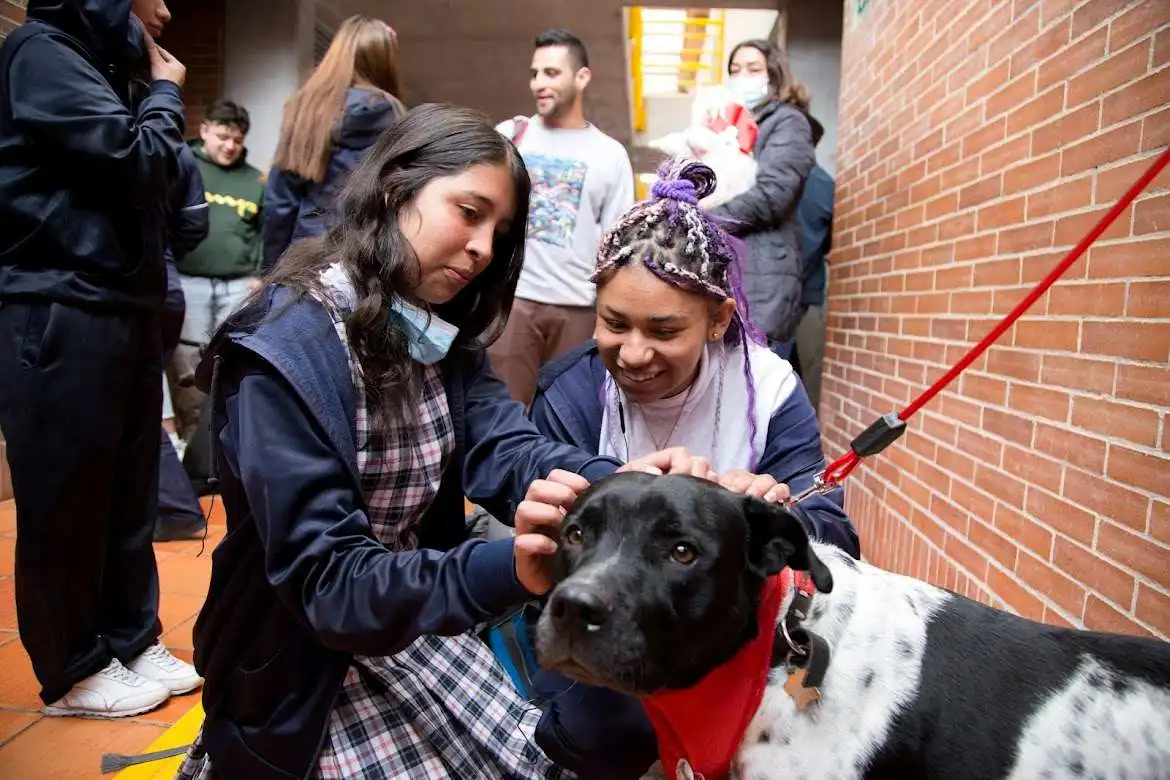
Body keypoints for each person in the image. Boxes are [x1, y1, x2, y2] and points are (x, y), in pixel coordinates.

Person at [173, 103, 710, 780]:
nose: (485, 247)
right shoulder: (285, 349)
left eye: (500, 230)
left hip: (407, 622)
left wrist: (624, 486)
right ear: (396, 187)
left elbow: (508, 451)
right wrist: (504, 569)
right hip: (302, 663)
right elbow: (330, 583)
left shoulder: (428, 328)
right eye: (469, 211)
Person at [525, 159, 860, 779]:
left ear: (718, 319)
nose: (632, 353)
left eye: (665, 330)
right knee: (594, 734)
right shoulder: (572, 394)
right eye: (613, 323)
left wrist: (774, 509)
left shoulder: (770, 390)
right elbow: (547, 534)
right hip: (609, 626)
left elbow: (832, 535)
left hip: (734, 638)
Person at [0, 0, 201, 718]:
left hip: (119, 307)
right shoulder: (43, 53)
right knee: (67, 499)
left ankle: (129, 637)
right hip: (61, 306)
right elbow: (142, 161)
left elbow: (170, 184)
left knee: (126, 492)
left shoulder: (101, 69)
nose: (165, 9)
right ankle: (74, 668)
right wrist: (166, 93)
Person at [488, 28, 635, 406]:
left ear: (581, 77)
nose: (539, 83)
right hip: (513, 303)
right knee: (502, 415)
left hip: (578, 309)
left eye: (551, 73)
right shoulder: (510, 136)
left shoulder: (609, 154)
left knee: (564, 418)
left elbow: (618, 247)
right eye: (535, 73)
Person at [262, 14, 406, 271]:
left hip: (308, 255)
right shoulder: (398, 118)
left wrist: (271, 269)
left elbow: (281, 202)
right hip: (369, 257)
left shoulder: (307, 110)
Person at [708, 38, 816, 352]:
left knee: (756, 386)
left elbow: (773, 195)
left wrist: (705, 219)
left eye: (753, 69)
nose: (743, 77)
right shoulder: (727, 127)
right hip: (730, 271)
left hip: (763, 278)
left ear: (774, 73)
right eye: (735, 70)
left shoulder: (787, 122)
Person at [170, 99, 265, 439]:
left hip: (239, 287)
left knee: (232, 364)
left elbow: (266, 233)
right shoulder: (182, 166)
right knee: (187, 370)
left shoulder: (256, 180)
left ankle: (225, 448)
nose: (230, 146)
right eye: (223, 136)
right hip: (187, 282)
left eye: (237, 140)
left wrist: (261, 275)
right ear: (205, 130)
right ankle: (191, 447)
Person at [157, 140, 211, 543]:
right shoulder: (178, 150)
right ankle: (176, 505)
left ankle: (176, 504)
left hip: (113, 284)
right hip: (160, 276)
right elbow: (194, 223)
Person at [794, 115, 834, 413]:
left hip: (766, 305)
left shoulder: (764, 178)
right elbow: (831, 245)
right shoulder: (827, 186)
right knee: (807, 389)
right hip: (807, 302)